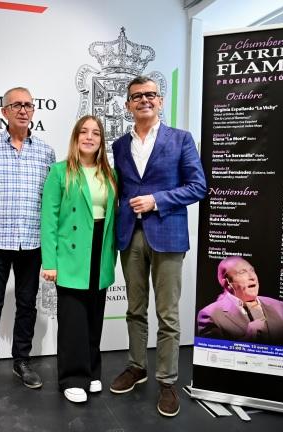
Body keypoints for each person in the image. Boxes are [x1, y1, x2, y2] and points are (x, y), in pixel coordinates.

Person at [109, 76, 206, 417]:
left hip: (168, 234)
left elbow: (198, 186)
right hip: (130, 235)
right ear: (128, 105)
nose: (144, 100)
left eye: (150, 94)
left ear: (160, 101)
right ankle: (137, 366)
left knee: (168, 314)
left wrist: (157, 200)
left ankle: (167, 381)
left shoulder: (181, 139)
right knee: (135, 309)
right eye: (137, 96)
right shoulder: (119, 145)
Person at [0, 86, 56, 398]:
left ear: (33, 111)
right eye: (16, 105)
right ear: (4, 111)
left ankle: (22, 361)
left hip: (32, 242)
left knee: (27, 305)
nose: (23, 110)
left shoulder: (46, 152)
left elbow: (51, 199)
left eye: (28, 105)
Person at [41, 115, 117, 404]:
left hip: (100, 248)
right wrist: (50, 262)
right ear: (75, 137)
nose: (89, 137)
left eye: (95, 133)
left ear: (101, 140)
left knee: (94, 316)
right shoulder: (59, 172)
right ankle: (72, 378)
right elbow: (49, 220)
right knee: (73, 317)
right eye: (84, 132)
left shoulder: (110, 174)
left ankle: (92, 371)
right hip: (71, 251)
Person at [197, 256, 283, 342]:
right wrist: (248, 338)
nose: (252, 277)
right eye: (242, 272)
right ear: (227, 283)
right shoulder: (211, 315)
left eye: (252, 270)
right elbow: (214, 352)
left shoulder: (279, 306)